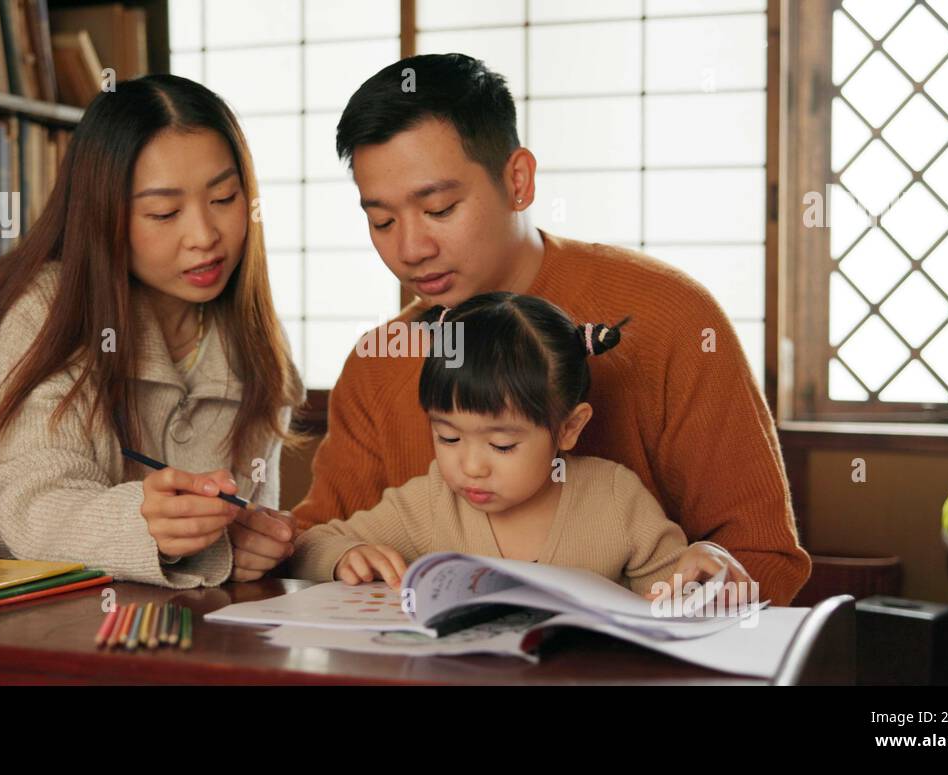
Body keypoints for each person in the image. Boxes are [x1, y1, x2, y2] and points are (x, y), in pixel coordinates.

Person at [255, 53, 809, 605]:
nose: (410, 249)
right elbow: (316, 544)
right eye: (381, 220)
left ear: (517, 180)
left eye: (441, 208)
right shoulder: (380, 362)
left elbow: (761, 555)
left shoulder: (669, 316)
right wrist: (256, 540)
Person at [0, 75, 303, 588]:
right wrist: (147, 524)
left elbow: (242, 527)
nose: (204, 236)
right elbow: (23, 506)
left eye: (223, 198)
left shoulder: (257, 339)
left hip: (186, 636)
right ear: (103, 214)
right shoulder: (38, 312)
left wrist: (254, 543)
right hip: (18, 629)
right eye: (164, 212)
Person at [292, 293, 746, 605]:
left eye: (502, 444)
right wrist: (344, 558)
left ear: (569, 428)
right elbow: (311, 545)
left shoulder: (615, 499)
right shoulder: (432, 503)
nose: (470, 466)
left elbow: (676, 592)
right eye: (447, 437)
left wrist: (701, 569)